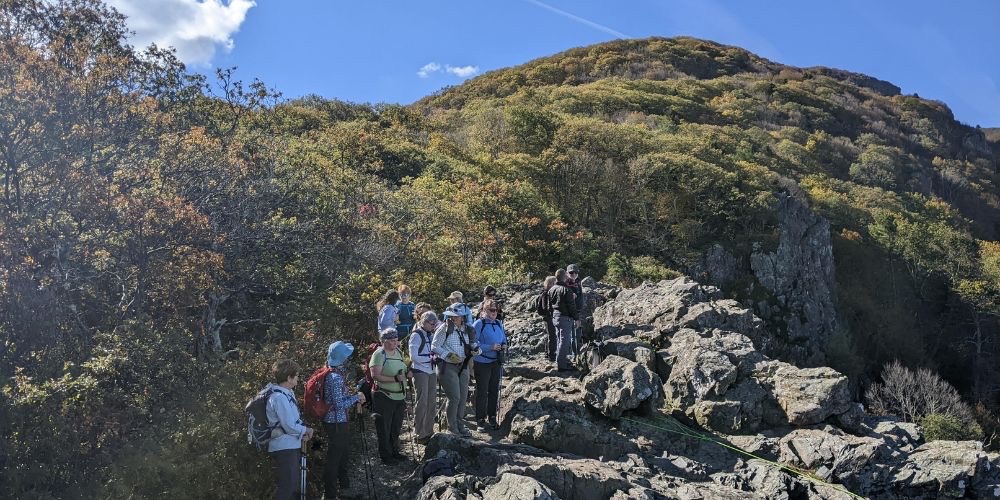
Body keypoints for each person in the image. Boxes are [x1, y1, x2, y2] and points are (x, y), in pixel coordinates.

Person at [322, 341, 366, 499]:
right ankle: (331, 494)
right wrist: (356, 398)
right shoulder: (335, 378)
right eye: (346, 356)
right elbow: (339, 405)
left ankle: (342, 489)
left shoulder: (333, 373)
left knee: (341, 455)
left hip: (336, 422)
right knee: (335, 458)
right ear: (341, 358)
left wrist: (353, 396)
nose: (348, 359)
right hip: (336, 423)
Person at [265, 359, 314, 500]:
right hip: (284, 448)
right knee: (288, 487)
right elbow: (289, 425)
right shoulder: (279, 397)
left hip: (289, 445)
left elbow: (292, 423)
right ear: (289, 378)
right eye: (296, 375)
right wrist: (306, 430)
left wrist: (303, 431)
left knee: (292, 486)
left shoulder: (286, 394)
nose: (298, 378)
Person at [432, 303, 477, 436]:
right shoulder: (443, 328)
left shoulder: (467, 329)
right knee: (454, 397)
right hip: (447, 366)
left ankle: (459, 424)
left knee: (463, 397)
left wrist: (476, 350)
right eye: (452, 316)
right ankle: (452, 427)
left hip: (463, 365)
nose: (454, 318)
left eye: (457, 316)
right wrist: (448, 355)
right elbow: (434, 346)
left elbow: (471, 343)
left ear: (463, 317)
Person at [369, 328, 411, 464]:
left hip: (399, 396)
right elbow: (375, 375)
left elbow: (403, 370)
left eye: (396, 340)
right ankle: (386, 456)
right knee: (384, 428)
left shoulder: (398, 352)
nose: (395, 343)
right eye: (392, 340)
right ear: (384, 341)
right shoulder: (379, 354)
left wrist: (407, 374)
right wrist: (395, 379)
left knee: (396, 426)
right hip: (383, 396)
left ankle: (395, 451)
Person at [472, 299, 507, 430]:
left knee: (494, 390)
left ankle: (492, 416)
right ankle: (480, 419)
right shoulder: (478, 324)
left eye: (496, 310)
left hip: (496, 361)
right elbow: (473, 344)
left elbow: (504, 339)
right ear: (484, 310)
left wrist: (503, 345)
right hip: (482, 362)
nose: (494, 312)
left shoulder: (498, 323)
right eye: (491, 310)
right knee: (482, 391)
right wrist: (490, 347)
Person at [409, 311, 439, 443]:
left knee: (431, 402)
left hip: (432, 371)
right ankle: (419, 433)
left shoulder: (431, 334)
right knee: (422, 402)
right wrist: (430, 359)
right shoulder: (416, 336)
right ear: (424, 322)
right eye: (432, 324)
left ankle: (429, 430)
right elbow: (413, 357)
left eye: (435, 324)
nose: (433, 326)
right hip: (420, 371)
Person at [547, 269, 578, 372]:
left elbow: (549, 306)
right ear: (565, 277)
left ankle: (559, 360)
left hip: (555, 317)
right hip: (565, 318)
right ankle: (562, 365)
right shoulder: (566, 290)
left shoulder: (552, 289)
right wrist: (576, 318)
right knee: (564, 341)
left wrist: (553, 316)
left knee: (559, 340)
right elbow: (571, 306)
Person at [536, 276, 557, 362]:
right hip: (549, 318)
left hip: (547, 317)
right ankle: (551, 355)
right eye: (554, 283)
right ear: (550, 284)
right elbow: (545, 307)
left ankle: (548, 354)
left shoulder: (545, 293)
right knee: (552, 336)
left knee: (550, 336)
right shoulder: (546, 293)